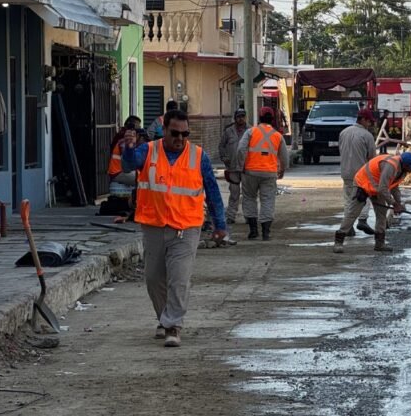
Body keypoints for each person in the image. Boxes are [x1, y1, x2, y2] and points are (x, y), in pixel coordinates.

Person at [122, 107, 227, 347]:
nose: (180, 138)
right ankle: (164, 318)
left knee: (178, 279)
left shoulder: (198, 156)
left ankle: (173, 326)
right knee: (153, 279)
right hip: (154, 225)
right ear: (164, 130)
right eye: (175, 133)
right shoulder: (148, 150)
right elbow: (128, 165)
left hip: (186, 227)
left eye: (185, 134)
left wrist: (220, 225)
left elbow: (212, 192)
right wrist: (128, 147)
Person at [333, 151, 411, 254]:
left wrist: (398, 203)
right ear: (405, 165)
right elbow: (383, 188)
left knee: (381, 213)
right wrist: (394, 204)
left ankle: (379, 244)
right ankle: (338, 242)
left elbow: (394, 187)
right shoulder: (390, 166)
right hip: (363, 183)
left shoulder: (403, 171)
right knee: (353, 213)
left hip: (377, 187)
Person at [235, 106, 289, 241]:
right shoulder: (277, 136)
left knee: (249, 198)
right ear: (272, 119)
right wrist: (282, 170)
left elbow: (241, 149)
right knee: (268, 200)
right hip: (269, 173)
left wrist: (241, 166)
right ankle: (266, 232)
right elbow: (284, 157)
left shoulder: (250, 132)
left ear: (259, 117)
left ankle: (253, 230)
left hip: (250, 172)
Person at [338, 108, 378, 236]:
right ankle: (362, 220)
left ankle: (348, 226)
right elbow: (372, 158)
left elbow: (341, 151)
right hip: (361, 173)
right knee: (363, 197)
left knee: (348, 199)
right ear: (364, 120)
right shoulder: (367, 135)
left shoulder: (344, 132)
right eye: (369, 121)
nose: (370, 124)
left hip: (346, 171)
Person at [218, 108, 249, 224]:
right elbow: (221, 146)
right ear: (235, 118)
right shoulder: (228, 131)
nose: (241, 119)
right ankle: (231, 216)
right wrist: (224, 157)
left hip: (246, 168)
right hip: (232, 167)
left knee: (247, 194)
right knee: (234, 193)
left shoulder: (250, 131)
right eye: (239, 117)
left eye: (243, 116)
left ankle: (249, 216)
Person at [108, 115, 142, 188]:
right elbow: (128, 158)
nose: (139, 128)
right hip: (118, 172)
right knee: (142, 179)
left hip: (120, 170)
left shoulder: (122, 135)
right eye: (137, 126)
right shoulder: (124, 138)